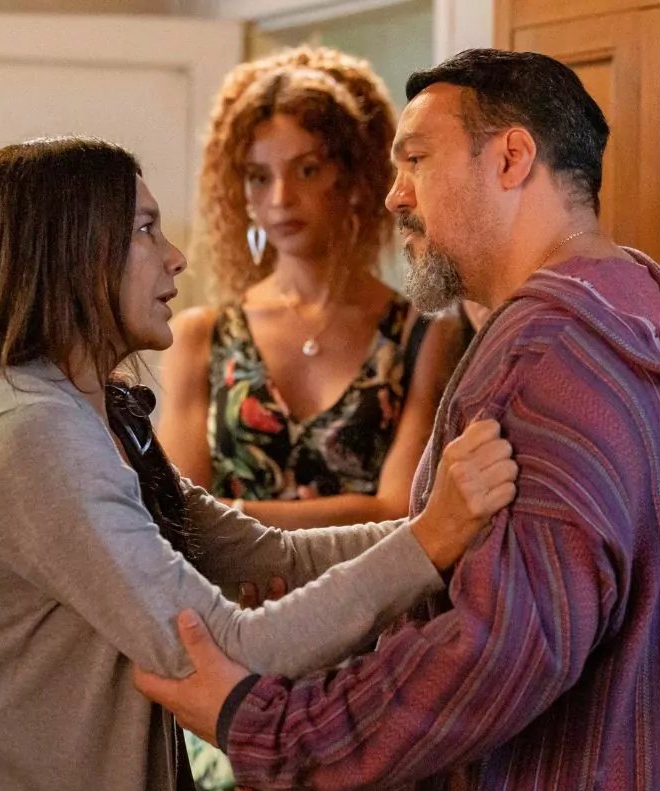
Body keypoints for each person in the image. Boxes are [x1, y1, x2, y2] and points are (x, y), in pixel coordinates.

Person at [136, 49, 660, 791]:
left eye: (417, 160)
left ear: (511, 159)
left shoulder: (543, 356)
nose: (395, 195)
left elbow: (497, 650)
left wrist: (266, 724)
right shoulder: (643, 308)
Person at [0, 136, 517, 791]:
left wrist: (447, 527)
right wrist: (428, 541)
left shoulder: (88, 414)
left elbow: (273, 556)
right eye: (145, 230)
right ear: (71, 251)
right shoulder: (23, 429)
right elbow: (229, 650)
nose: (175, 257)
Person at [159, 47, 473, 531]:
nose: (280, 198)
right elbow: (177, 517)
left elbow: (401, 513)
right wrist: (346, 513)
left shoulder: (423, 334)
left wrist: (234, 515)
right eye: (259, 177)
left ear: (354, 178)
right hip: (221, 587)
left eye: (306, 170)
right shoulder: (201, 336)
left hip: (374, 584)